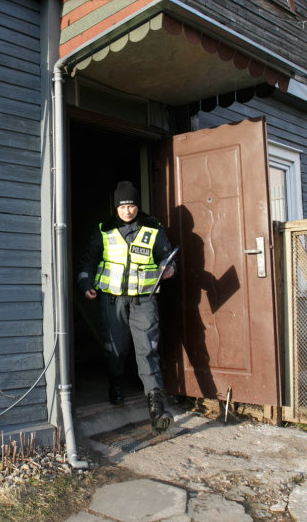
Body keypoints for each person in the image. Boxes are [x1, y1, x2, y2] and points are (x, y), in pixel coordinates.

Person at [77, 181, 176, 433]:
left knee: (147, 349)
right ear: (116, 207)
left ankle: (156, 407)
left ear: (137, 205)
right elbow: (88, 259)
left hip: (144, 299)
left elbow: (165, 256)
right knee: (116, 349)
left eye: (131, 205)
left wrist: (170, 267)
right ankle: (116, 383)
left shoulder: (153, 228)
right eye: (123, 206)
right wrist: (85, 283)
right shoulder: (104, 230)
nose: (127, 211)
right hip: (113, 300)